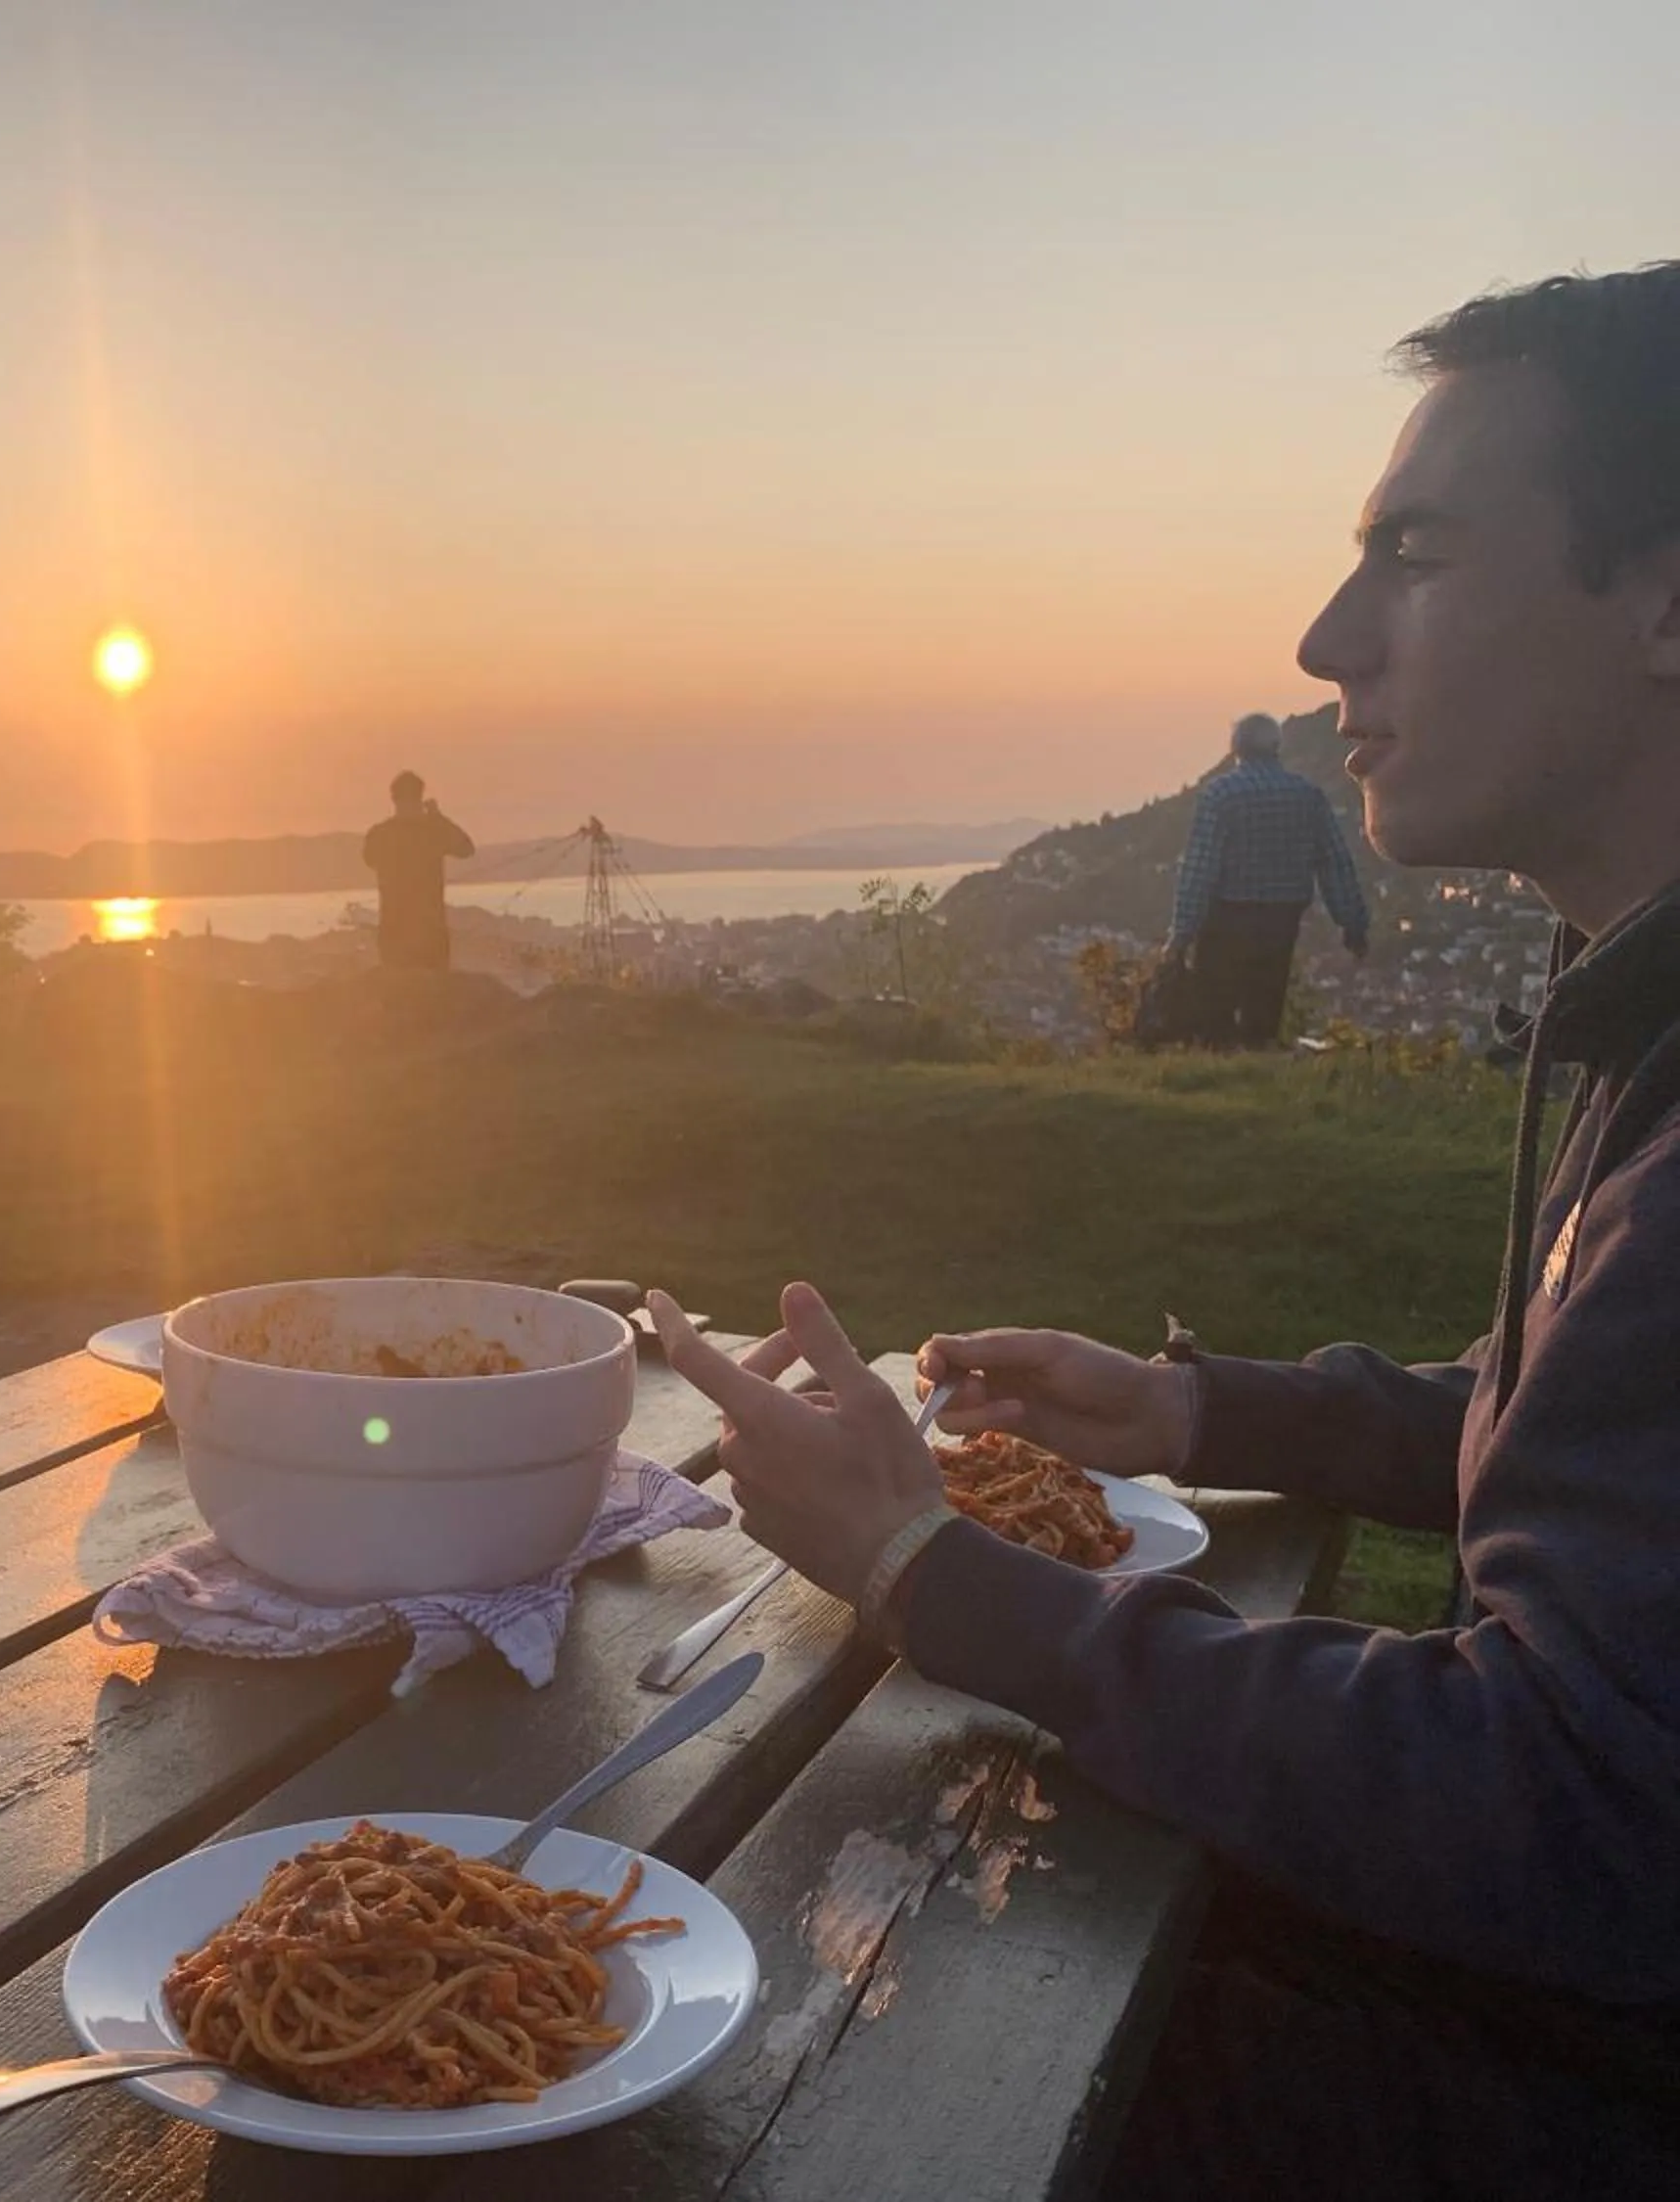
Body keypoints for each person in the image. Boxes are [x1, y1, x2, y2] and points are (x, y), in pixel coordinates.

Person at [653, 260, 1680, 2194]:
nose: (1325, 637)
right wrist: (1212, 1419)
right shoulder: (1647, 1009)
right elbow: (1587, 1408)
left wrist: (920, 1562)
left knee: (845, 2056)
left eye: (1420, 553)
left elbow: (1557, 1814)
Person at [1160, 711, 1372, 1048]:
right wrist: (1352, 923)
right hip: (1282, 918)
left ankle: (1220, 1079)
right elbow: (1335, 862)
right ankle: (1259, 1064)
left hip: (1227, 918)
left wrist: (1181, 934)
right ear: (1277, 747)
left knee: (1215, 1011)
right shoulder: (1307, 795)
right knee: (1264, 1006)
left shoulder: (1222, 795)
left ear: (1236, 748)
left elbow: (1199, 869)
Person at [362, 770, 475, 970]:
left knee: (397, 994)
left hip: (394, 930)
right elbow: (466, 848)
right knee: (434, 995)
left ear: (393, 798)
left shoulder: (380, 834)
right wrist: (438, 818)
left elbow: (369, 859)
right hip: (431, 931)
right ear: (420, 797)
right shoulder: (433, 831)